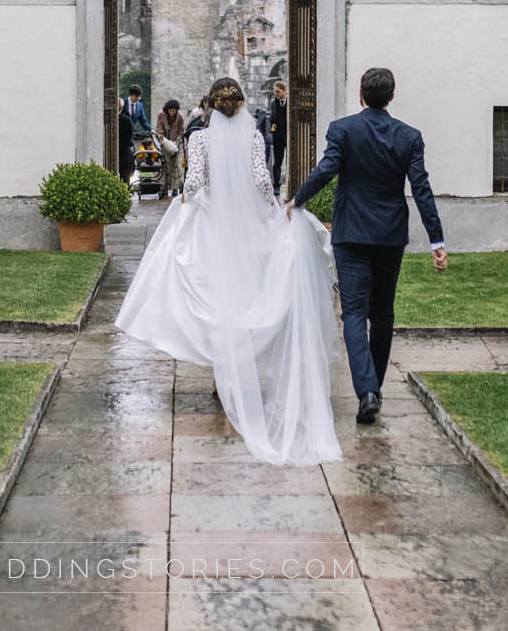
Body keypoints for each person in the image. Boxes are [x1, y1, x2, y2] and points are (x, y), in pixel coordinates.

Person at [118, 78, 342, 465]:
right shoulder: (254, 137)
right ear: (240, 107)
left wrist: (190, 200)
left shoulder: (201, 140)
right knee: (245, 292)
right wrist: (273, 210)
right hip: (245, 226)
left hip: (212, 226)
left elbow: (193, 182)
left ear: (211, 108)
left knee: (210, 291)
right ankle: (236, 367)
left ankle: (222, 373)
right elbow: (260, 181)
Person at [290, 67, 447, 425]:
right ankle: (372, 386)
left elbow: (326, 170)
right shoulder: (409, 136)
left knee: (354, 313)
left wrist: (298, 199)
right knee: (383, 312)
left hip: (351, 234)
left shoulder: (343, 129)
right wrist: (436, 239)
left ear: (361, 94)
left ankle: (367, 391)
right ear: (391, 97)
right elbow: (421, 188)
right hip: (389, 235)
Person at [116, 84, 151, 181]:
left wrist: (151, 129)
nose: (137, 98)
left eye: (139, 97)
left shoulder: (140, 105)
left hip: (132, 135)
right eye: (136, 96)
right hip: (122, 135)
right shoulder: (123, 103)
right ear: (131, 95)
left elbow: (143, 120)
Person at [154, 99, 187, 198]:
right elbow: (159, 128)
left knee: (177, 165)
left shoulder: (180, 116)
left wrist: (177, 141)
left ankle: (175, 188)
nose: (172, 113)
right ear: (167, 110)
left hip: (177, 143)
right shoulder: (161, 115)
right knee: (166, 165)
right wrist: (162, 139)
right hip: (165, 142)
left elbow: (181, 131)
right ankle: (164, 188)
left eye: (174, 111)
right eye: (170, 110)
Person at [268, 80, 289, 192]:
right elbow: (272, 121)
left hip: (290, 136)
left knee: (291, 160)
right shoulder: (273, 103)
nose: (275, 94)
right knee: (277, 162)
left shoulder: (291, 102)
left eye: (278, 91)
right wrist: (272, 131)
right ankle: (276, 185)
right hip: (278, 137)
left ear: (284, 91)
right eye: (274, 92)